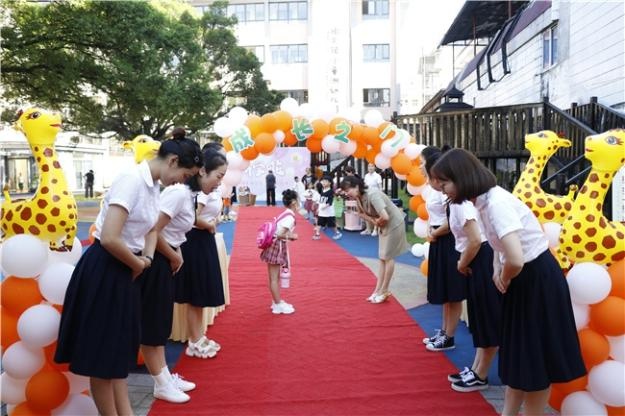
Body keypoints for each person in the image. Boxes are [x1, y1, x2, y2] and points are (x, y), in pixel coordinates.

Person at [55, 136, 201, 415]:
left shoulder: (153, 186)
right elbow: (109, 237)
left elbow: (149, 229)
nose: (181, 182)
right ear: (172, 161)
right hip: (106, 270)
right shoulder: (132, 180)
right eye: (184, 175)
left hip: (124, 270)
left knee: (117, 356)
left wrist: (145, 258)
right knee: (102, 360)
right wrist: (138, 264)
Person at [431, 148, 585, 414]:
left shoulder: (496, 204)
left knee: (535, 362)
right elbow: (500, 246)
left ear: (462, 177)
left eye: (444, 182)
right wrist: (496, 266)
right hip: (526, 280)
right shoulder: (485, 201)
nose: (441, 189)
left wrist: (502, 274)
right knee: (520, 359)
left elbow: (515, 257)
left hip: (536, 282)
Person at [139, 132, 203, 403]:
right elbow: (151, 228)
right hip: (154, 259)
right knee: (154, 322)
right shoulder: (172, 191)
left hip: (160, 257)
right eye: (189, 174)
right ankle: (161, 381)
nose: (184, 180)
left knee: (159, 321)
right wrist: (172, 255)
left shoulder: (164, 188)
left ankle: (163, 376)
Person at [175, 149, 229, 359]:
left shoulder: (207, 191)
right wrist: (208, 224)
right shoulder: (198, 194)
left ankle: (198, 337)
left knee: (199, 295)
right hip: (194, 242)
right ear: (203, 171)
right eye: (219, 176)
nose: (220, 181)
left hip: (202, 241)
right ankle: (194, 340)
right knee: (194, 294)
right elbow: (191, 218)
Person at [445, 200, 501, 392]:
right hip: (478, 258)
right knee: (480, 317)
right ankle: (477, 369)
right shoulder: (460, 202)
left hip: (481, 259)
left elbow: (476, 239)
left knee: (486, 317)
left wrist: (462, 262)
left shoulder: (465, 203)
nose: (440, 187)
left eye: (442, 182)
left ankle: (481, 374)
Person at [420, 146, 467, 353]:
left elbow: (452, 220)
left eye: (422, 162)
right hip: (438, 238)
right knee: (445, 293)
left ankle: (449, 336)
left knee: (453, 292)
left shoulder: (445, 191)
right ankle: (444, 331)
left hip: (448, 240)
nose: (420, 166)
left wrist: (435, 233)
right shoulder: (432, 188)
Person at [340, 175, 409, 303]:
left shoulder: (373, 194)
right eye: (344, 190)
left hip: (394, 224)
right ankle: (377, 290)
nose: (346, 193)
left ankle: (384, 290)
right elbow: (360, 213)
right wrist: (374, 221)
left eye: (347, 189)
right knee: (382, 257)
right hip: (383, 226)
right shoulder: (358, 197)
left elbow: (385, 216)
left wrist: (377, 222)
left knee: (388, 257)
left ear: (356, 186)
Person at [260, 189, 299, 314]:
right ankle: (277, 304)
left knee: (274, 277)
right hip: (276, 246)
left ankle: (276, 301)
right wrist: (292, 236)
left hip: (273, 245)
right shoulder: (290, 217)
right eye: (298, 200)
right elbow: (279, 234)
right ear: (293, 202)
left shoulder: (285, 213)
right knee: (274, 278)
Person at [314, 176, 342, 240]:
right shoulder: (322, 191)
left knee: (332, 225)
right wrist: (319, 208)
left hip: (329, 212)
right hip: (322, 211)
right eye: (323, 181)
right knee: (319, 223)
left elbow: (330, 202)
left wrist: (325, 206)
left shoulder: (331, 191)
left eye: (325, 181)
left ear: (329, 183)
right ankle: (317, 234)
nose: (323, 183)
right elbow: (321, 201)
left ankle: (337, 233)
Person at [362, 164, 382, 236]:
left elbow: (380, 187)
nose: (370, 168)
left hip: (375, 196)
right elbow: (365, 186)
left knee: (375, 213)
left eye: (372, 166)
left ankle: (375, 229)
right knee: (366, 212)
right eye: (369, 166)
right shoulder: (366, 176)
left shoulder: (377, 176)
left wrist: (380, 196)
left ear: (375, 167)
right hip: (367, 195)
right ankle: (368, 229)